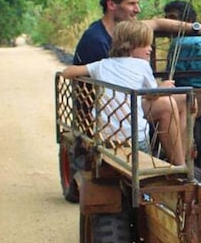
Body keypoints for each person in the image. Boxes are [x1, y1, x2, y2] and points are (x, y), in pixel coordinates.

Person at [63, 20, 187, 165]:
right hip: (136, 139)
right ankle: (180, 163)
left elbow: (66, 72)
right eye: (145, 45)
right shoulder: (142, 65)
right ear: (130, 46)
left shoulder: (101, 65)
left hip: (104, 138)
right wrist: (164, 88)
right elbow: (151, 95)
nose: (150, 49)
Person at [73, 0, 201, 65]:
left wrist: (198, 28)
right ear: (111, 4)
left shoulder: (126, 29)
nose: (138, 10)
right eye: (131, 4)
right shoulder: (96, 39)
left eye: (137, 4)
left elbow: (158, 23)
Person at [163, 0, 201, 89]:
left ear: (189, 21)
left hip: (189, 90)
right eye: (166, 19)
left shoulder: (179, 43)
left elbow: (173, 77)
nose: (168, 24)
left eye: (172, 18)